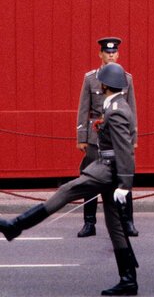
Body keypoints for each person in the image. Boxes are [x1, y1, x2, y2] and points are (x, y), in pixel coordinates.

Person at [0, 63, 139, 297]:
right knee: (115, 226)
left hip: (107, 170)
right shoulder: (115, 104)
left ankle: (16, 225)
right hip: (107, 167)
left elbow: (124, 150)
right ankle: (128, 280)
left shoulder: (116, 110)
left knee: (66, 190)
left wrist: (125, 184)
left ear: (105, 85)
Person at [76, 37, 138, 239]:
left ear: (118, 54)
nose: (110, 55)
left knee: (123, 174)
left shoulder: (126, 79)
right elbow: (83, 109)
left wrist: (133, 137)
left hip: (118, 136)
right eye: (107, 52)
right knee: (91, 177)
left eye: (113, 52)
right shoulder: (91, 78)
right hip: (96, 135)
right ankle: (89, 222)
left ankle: (127, 221)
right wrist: (81, 136)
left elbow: (131, 109)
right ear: (100, 54)